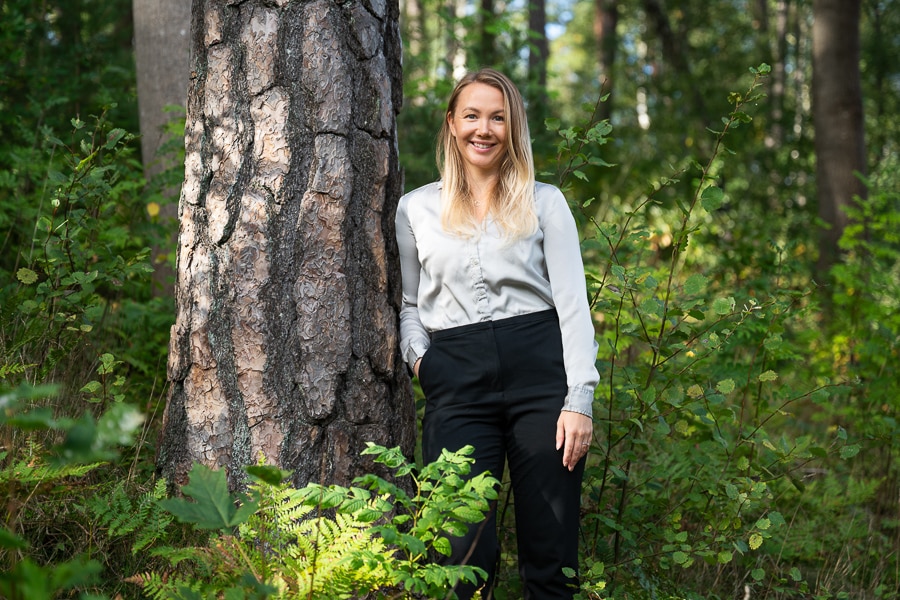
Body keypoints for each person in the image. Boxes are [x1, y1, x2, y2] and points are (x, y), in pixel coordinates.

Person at [395, 68, 600, 599]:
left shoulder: (545, 202)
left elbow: (573, 305)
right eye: (472, 116)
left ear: (513, 128)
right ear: (451, 124)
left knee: (551, 553)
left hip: (541, 378)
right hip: (456, 381)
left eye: (497, 117)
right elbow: (409, 304)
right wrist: (423, 362)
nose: (483, 129)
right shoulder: (416, 208)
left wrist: (579, 398)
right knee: (460, 552)